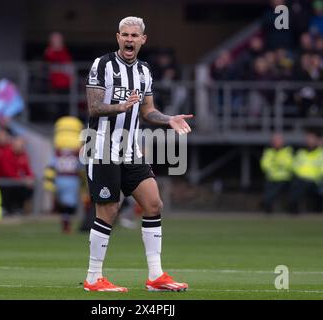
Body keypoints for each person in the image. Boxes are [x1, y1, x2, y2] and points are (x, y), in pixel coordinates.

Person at [82, 16, 192, 292]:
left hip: (130, 149)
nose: (129, 39)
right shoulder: (103, 65)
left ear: (143, 39)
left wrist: (167, 119)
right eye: (125, 35)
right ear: (117, 37)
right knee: (108, 210)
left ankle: (156, 276)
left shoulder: (144, 71)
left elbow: (146, 110)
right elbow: (94, 107)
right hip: (103, 146)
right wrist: (119, 107)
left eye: (134, 35)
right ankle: (93, 278)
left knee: (153, 203)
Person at [43, 116, 85, 233]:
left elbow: (51, 167)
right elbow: (81, 167)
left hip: (60, 178)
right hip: (72, 179)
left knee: (64, 204)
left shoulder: (58, 152)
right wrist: (84, 181)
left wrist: (49, 182)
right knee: (69, 205)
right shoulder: (77, 153)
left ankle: (66, 222)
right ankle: (67, 224)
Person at [289, 130, 323, 214]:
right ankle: (294, 208)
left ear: (317, 140)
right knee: (295, 183)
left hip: (316, 181)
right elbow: (294, 166)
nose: (309, 141)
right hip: (301, 180)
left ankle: (294, 208)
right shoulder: (301, 153)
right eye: (308, 139)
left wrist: (317, 175)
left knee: (302, 185)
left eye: (311, 138)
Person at [260, 133, 293, 213]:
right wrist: (280, 164)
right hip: (271, 178)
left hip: (284, 179)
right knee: (269, 187)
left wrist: (274, 163)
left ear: (283, 142)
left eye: (278, 141)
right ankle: (267, 205)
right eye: (275, 141)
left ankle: (266, 202)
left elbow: (289, 164)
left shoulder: (288, 151)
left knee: (277, 188)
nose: (276, 142)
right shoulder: (268, 152)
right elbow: (264, 165)